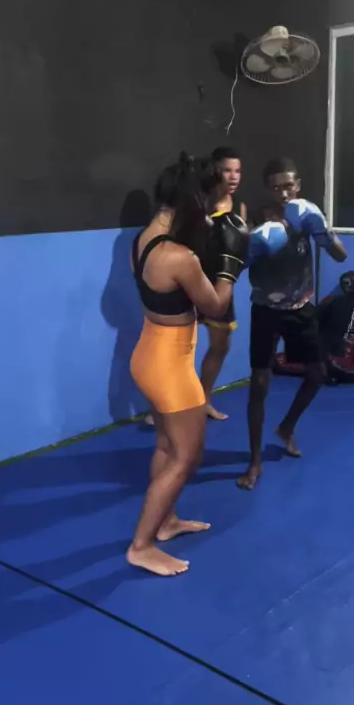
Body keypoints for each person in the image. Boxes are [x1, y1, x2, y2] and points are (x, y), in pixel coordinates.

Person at [127, 152, 248, 575]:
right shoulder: (180, 257)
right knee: (187, 457)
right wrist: (230, 265)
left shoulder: (143, 239)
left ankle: (166, 521)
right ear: (192, 200)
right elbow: (215, 307)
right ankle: (141, 545)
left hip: (148, 354)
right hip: (170, 367)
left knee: (166, 447)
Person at [237, 157, 347, 490]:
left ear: (297, 185)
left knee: (318, 375)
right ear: (266, 189)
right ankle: (255, 461)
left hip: (301, 308)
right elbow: (237, 265)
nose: (283, 193)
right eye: (276, 188)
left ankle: (286, 428)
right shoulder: (255, 217)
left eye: (288, 186)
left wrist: (323, 229)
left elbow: (340, 256)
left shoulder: (306, 215)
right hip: (266, 311)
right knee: (259, 384)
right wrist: (252, 246)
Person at [199, 146, 248, 420]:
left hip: (221, 285)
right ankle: (166, 410)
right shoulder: (200, 203)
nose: (234, 176)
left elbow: (240, 252)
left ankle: (203, 400)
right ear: (215, 170)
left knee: (220, 345)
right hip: (192, 282)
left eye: (238, 171)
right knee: (180, 348)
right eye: (228, 170)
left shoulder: (240, 208)